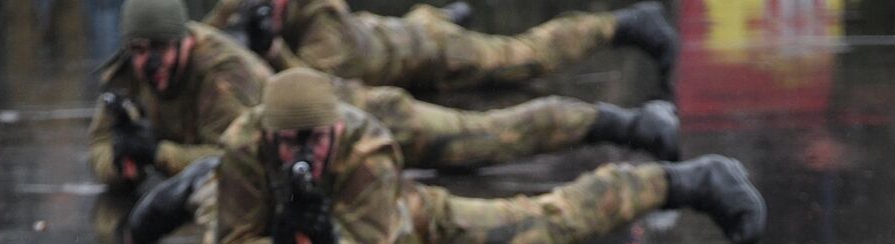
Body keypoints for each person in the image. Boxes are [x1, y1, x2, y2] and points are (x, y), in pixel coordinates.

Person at [128, 68, 762, 244]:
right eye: (286, 143)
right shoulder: (244, 146)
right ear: (266, 137)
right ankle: (196, 184)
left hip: (390, 227)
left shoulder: (369, 151)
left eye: (311, 142)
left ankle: (687, 181)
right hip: (260, 209)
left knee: (537, 230)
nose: (301, 153)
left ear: (334, 134)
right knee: (217, 226)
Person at [91, 0, 679, 188]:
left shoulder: (316, 28)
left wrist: (158, 155)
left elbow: (308, 92)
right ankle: (446, 12)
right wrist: (119, 154)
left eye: (158, 55)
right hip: (369, 77)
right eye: (139, 54)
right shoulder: (150, 61)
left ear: (185, 46)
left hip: (391, 76)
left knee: (504, 91)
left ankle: (628, 104)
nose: (149, 67)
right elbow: (103, 141)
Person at [205, 0, 679, 93]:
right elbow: (204, 35)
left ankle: (625, 25)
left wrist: (273, 53)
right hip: (401, 34)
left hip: (431, 50)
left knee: (521, 59)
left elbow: (317, 91)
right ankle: (452, 13)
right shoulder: (253, 8)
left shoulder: (326, 27)